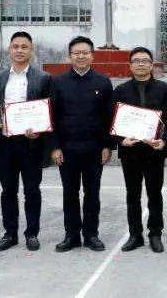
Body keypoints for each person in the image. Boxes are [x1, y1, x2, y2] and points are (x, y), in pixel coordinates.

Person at [48, 36, 115, 253]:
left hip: (94, 150)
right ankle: (72, 235)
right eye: (76, 53)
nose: (81, 56)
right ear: (70, 56)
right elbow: (51, 116)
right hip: (67, 150)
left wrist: (107, 146)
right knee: (70, 193)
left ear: (92, 56)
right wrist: (54, 147)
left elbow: (109, 117)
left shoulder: (103, 82)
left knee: (92, 194)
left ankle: (91, 234)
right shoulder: (57, 82)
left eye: (85, 52)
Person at [0, 31, 52, 252]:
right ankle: (10, 233)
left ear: (31, 50)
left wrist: (39, 132)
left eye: (24, 47)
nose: (19, 51)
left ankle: (32, 233)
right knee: (8, 191)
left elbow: (48, 111)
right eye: (15, 46)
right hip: (6, 142)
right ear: (9, 49)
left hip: (31, 144)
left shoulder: (43, 78)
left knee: (32, 191)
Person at [113, 47, 167, 253]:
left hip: (154, 151)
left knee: (155, 194)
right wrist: (121, 140)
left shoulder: (163, 89)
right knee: (133, 194)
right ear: (130, 65)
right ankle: (135, 235)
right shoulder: (120, 90)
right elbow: (112, 121)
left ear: (151, 65)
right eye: (137, 61)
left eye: (145, 60)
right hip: (130, 152)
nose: (141, 64)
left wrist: (164, 141)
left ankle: (155, 234)